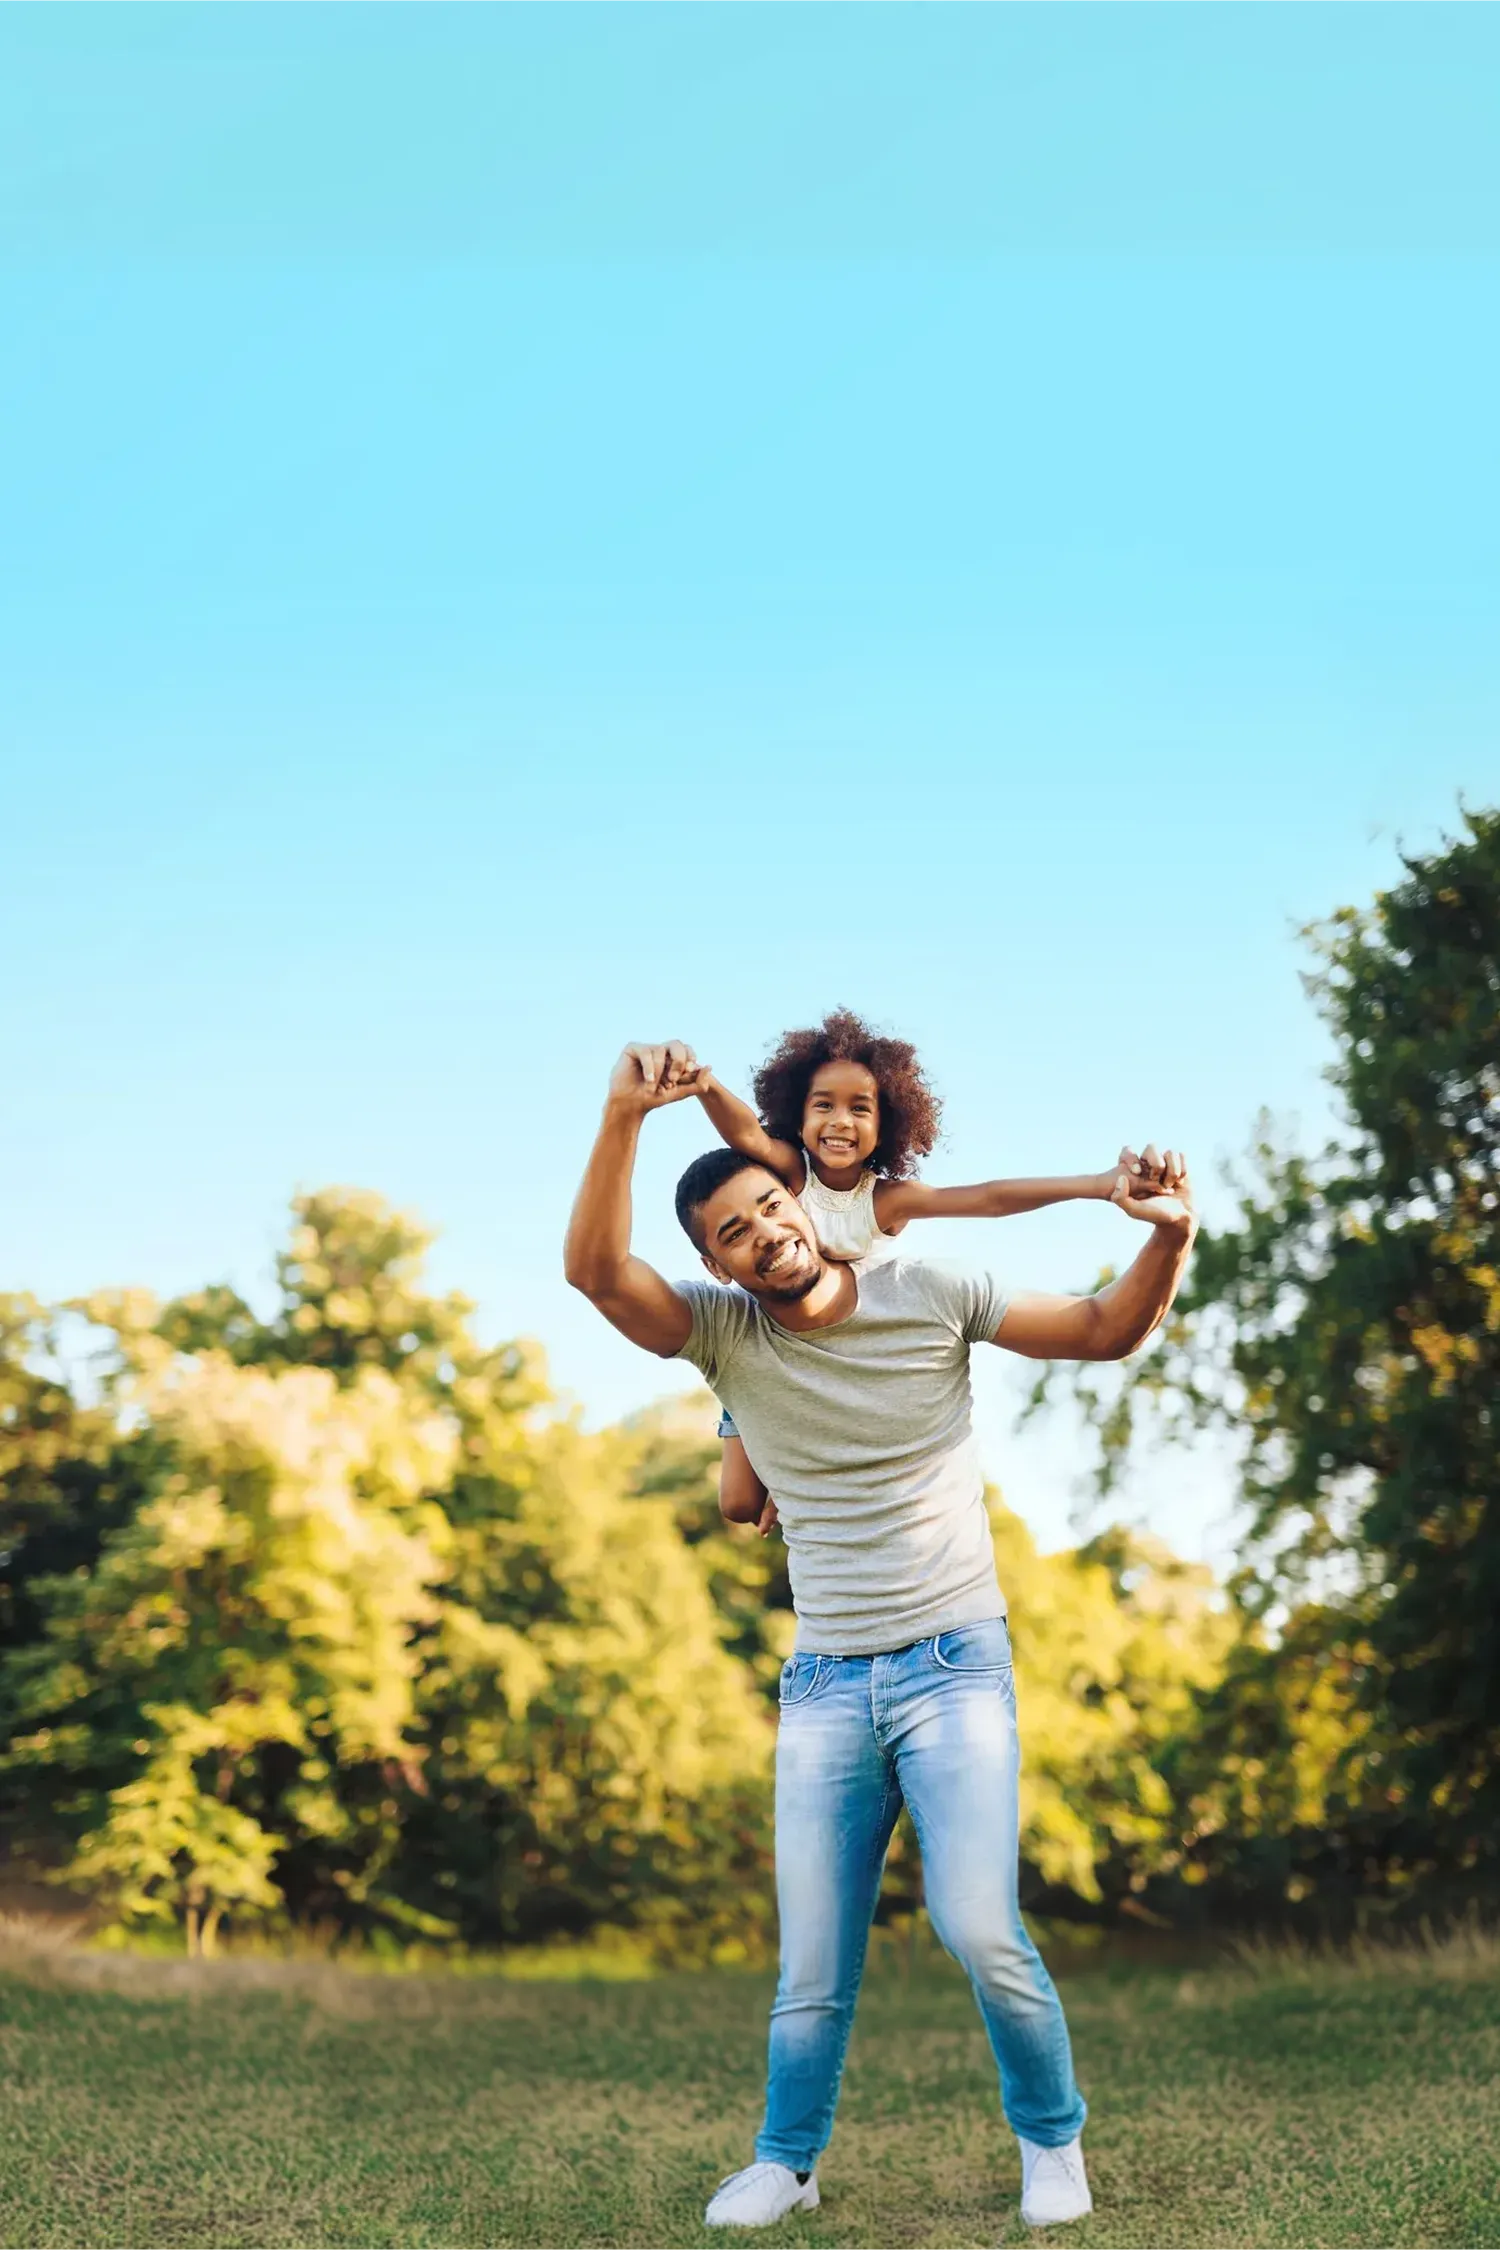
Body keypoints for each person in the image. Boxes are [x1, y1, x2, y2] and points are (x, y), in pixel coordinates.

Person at [564, 1039, 1199, 2233]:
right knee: (810, 1972)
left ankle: (1051, 2143)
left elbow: (1110, 1328)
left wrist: (1165, 1237)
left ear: (800, 1196)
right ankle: (786, 2163)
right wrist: (619, 1117)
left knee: (975, 1923)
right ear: (715, 1266)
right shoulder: (724, 1340)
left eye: (770, 1205)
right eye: (734, 1234)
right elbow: (595, 1270)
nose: (766, 1232)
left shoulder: (934, 1292)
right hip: (823, 1689)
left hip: (955, 1665)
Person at [690, 1008, 1157, 1536]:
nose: (840, 1121)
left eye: (859, 1109)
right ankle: (775, 1449)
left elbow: (989, 1199)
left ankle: (801, 1470)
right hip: (770, 1352)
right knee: (738, 1501)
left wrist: (1097, 1184)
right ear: (798, 1119)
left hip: (846, 1354)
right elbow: (745, 1134)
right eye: (823, 1106)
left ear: (884, 1124)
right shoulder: (792, 1175)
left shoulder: (887, 1200)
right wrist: (705, 1086)